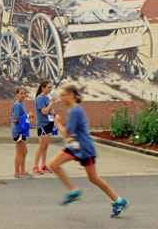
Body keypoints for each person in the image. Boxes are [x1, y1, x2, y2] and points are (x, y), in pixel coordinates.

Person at [49, 85, 129, 218]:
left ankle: (118, 200)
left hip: (85, 148)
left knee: (93, 178)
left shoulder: (75, 111)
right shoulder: (74, 111)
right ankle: (74, 191)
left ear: (71, 95)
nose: (61, 98)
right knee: (53, 165)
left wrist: (57, 122)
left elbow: (67, 133)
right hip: (76, 147)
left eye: (63, 95)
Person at [32, 81, 56, 175]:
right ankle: (35, 166)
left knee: (45, 146)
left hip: (49, 123)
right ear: (43, 88)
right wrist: (52, 102)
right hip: (43, 124)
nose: (50, 89)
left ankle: (43, 165)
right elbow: (44, 112)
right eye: (48, 87)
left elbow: (49, 111)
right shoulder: (40, 98)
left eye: (51, 87)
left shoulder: (47, 97)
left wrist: (52, 111)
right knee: (41, 146)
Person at [11, 87, 35, 179]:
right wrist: (27, 115)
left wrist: (28, 116)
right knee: (19, 152)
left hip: (23, 130)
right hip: (18, 131)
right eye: (21, 93)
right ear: (17, 94)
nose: (23, 95)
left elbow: (22, 117)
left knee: (24, 151)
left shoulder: (21, 104)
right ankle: (17, 173)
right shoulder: (17, 105)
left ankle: (23, 171)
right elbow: (15, 119)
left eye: (24, 93)